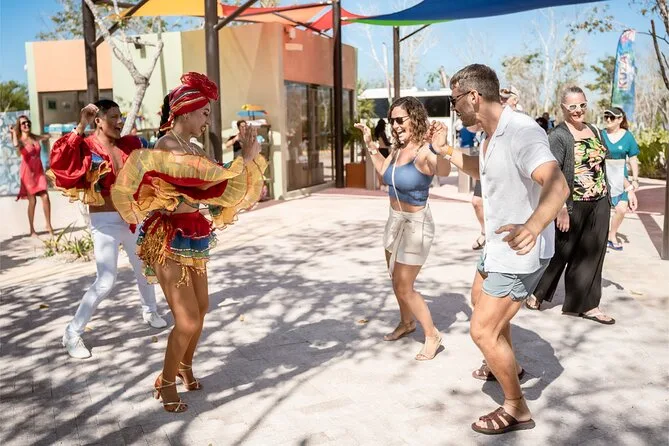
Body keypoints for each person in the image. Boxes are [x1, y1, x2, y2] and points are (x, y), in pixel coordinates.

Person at [111, 72, 266, 413]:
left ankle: (184, 365)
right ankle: (165, 381)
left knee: (202, 308)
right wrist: (243, 159)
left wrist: (245, 161)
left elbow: (216, 185)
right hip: (168, 236)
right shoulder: (167, 146)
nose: (207, 120)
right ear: (185, 111)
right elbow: (203, 180)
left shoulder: (194, 148)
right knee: (187, 320)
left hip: (193, 233)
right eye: (204, 113)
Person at [432, 64, 568, 434]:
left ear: (473, 96)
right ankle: (510, 366)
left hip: (520, 252)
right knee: (480, 301)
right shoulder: (490, 135)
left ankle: (516, 407)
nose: (454, 107)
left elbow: (557, 184)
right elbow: (484, 170)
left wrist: (533, 225)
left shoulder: (521, 132)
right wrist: (445, 150)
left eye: (455, 100)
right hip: (497, 245)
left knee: (482, 330)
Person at [49, 100, 168, 359]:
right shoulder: (86, 146)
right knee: (105, 280)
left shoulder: (130, 144)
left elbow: (154, 164)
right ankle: (72, 333)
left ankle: (150, 310)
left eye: (120, 116)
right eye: (113, 117)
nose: (119, 121)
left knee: (145, 268)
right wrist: (81, 125)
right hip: (105, 222)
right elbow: (60, 160)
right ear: (99, 121)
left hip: (133, 218)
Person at [354, 97, 451, 361]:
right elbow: (383, 171)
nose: (395, 126)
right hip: (394, 220)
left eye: (400, 120)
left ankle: (432, 335)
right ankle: (407, 322)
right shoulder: (398, 150)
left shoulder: (425, 152)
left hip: (416, 225)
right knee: (394, 278)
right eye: (392, 121)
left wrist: (442, 148)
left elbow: (443, 169)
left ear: (415, 119)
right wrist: (370, 144)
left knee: (404, 285)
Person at [526, 87, 621, 325]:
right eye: (573, 106)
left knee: (593, 254)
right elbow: (553, 174)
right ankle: (538, 293)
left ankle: (588, 305)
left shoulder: (595, 130)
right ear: (563, 108)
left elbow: (601, 164)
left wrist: (626, 187)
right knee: (562, 251)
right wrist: (560, 208)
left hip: (599, 200)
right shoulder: (558, 135)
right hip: (572, 202)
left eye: (582, 105)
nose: (578, 110)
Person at [602, 107, 639, 250]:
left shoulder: (628, 137)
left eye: (612, 117)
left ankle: (611, 236)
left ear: (620, 119)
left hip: (621, 179)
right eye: (606, 117)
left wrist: (635, 179)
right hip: (603, 178)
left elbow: (633, 158)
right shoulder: (601, 135)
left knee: (622, 209)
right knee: (603, 211)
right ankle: (601, 239)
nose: (608, 120)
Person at [10, 116, 54, 237]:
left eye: (28, 122)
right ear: (20, 126)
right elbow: (15, 144)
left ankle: (48, 225)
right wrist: (13, 132)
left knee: (45, 197)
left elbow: (46, 137)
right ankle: (32, 229)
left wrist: (52, 135)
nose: (26, 124)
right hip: (28, 173)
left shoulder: (34, 137)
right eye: (23, 123)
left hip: (39, 172)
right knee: (32, 200)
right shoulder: (20, 140)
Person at [461, 124, 486, 250]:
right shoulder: (483, 133)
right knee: (476, 202)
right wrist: (445, 150)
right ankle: (485, 232)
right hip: (485, 171)